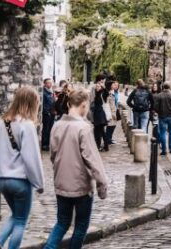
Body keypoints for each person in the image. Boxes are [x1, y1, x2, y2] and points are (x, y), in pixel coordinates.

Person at [43, 88, 108, 249]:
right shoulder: (83, 128)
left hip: (61, 184)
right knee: (80, 226)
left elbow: (53, 154)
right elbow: (92, 159)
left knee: (62, 223)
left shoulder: (57, 125)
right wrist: (102, 184)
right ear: (84, 105)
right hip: (81, 186)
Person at [0, 86, 45, 249]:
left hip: (3, 179)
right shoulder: (27, 125)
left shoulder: (1, 122)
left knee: (15, 215)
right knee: (21, 221)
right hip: (20, 181)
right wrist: (39, 183)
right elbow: (31, 158)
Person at [152, 83, 171, 156]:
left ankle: (164, 150)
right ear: (169, 87)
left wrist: (159, 112)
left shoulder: (159, 95)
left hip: (162, 116)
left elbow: (155, 107)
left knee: (163, 133)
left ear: (163, 87)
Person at [90, 81, 109, 151]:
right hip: (97, 115)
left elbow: (107, 93)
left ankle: (105, 146)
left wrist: (103, 87)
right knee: (97, 131)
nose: (97, 88)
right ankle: (98, 146)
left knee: (102, 131)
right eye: (96, 87)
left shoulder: (101, 94)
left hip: (100, 115)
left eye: (98, 87)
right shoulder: (96, 93)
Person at [103, 83, 119, 149]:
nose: (114, 86)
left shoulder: (113, 93)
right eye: (112, 85)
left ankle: (109, 139)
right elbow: (108, 104)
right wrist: (112, 114)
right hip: (110, 112)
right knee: (110, 126)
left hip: (113, 111)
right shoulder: (109, 94)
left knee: (113, 125)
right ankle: (107, 140)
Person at [42, 79, 56, 151]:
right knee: (46, 129)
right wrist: (46, 112)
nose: (50, 84)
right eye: (48, 83)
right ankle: (45, 144)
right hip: (47, 113)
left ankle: (48, 143)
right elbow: (43, 104)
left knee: (50, 129)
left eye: (51, 83)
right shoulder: (44, 92)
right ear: (45, 84)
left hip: (52, 113)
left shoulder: (51, 91)